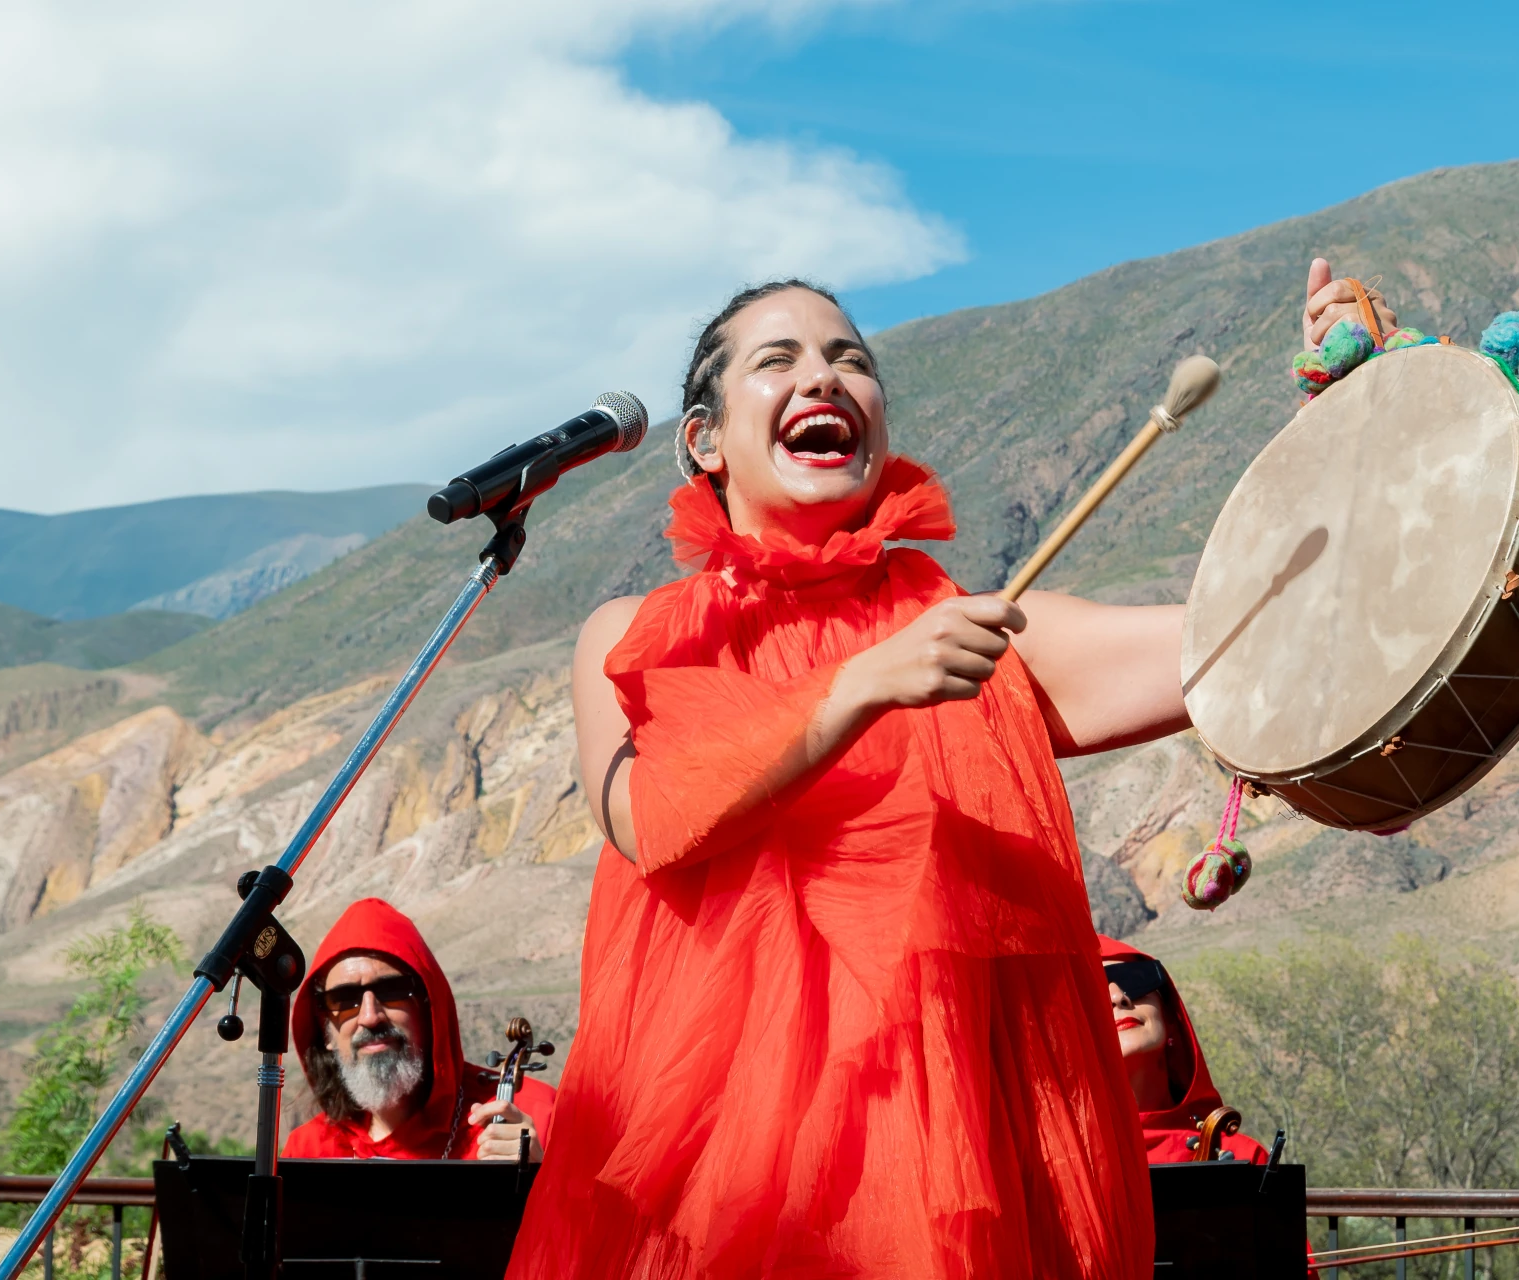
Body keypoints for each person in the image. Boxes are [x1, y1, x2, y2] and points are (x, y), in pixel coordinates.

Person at [509, 261, 1393, 1280]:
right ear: (705, 440)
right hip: (703, 1199)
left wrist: (1364, 421)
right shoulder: (634, 638)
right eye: (779, 360)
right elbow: (645, 814)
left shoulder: (977, 635)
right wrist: (857, 686)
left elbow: (1260, 634)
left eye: (852, 360)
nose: (827, 378)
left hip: (947, 1192)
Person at [282, 897, 554, 1161]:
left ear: (429, 1007)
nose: (370, 1017)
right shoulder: (309, 1149)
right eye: (344, 998)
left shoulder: (531, 1115)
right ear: (325, 1027)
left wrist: (541, 1179)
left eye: (392, 991)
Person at [1098, 935, 1268, 1164]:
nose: (1119, 998)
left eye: (1135, 981)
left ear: (1170, 1017)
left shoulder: (1241, 1159)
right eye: (1093, 991)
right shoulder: (1047, 1168)